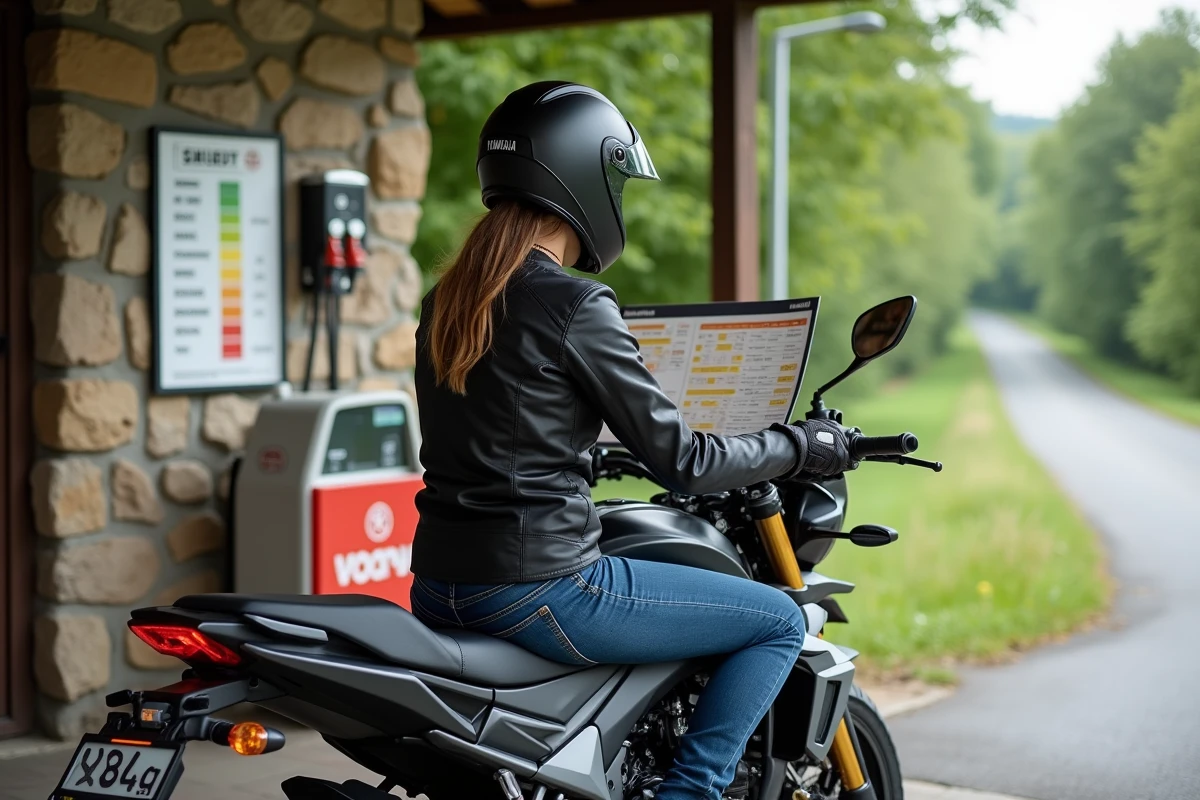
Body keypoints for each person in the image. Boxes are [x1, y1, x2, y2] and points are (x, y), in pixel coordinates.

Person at [409, 81, 858, 800]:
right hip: (542, 589)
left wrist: (582, 454)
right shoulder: (572, 301)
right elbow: (685, 461)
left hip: (441, 585)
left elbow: (496, 431)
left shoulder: (453, 295)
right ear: (582, 176)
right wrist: (803, 446)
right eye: (613, 176)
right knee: (777, 619)